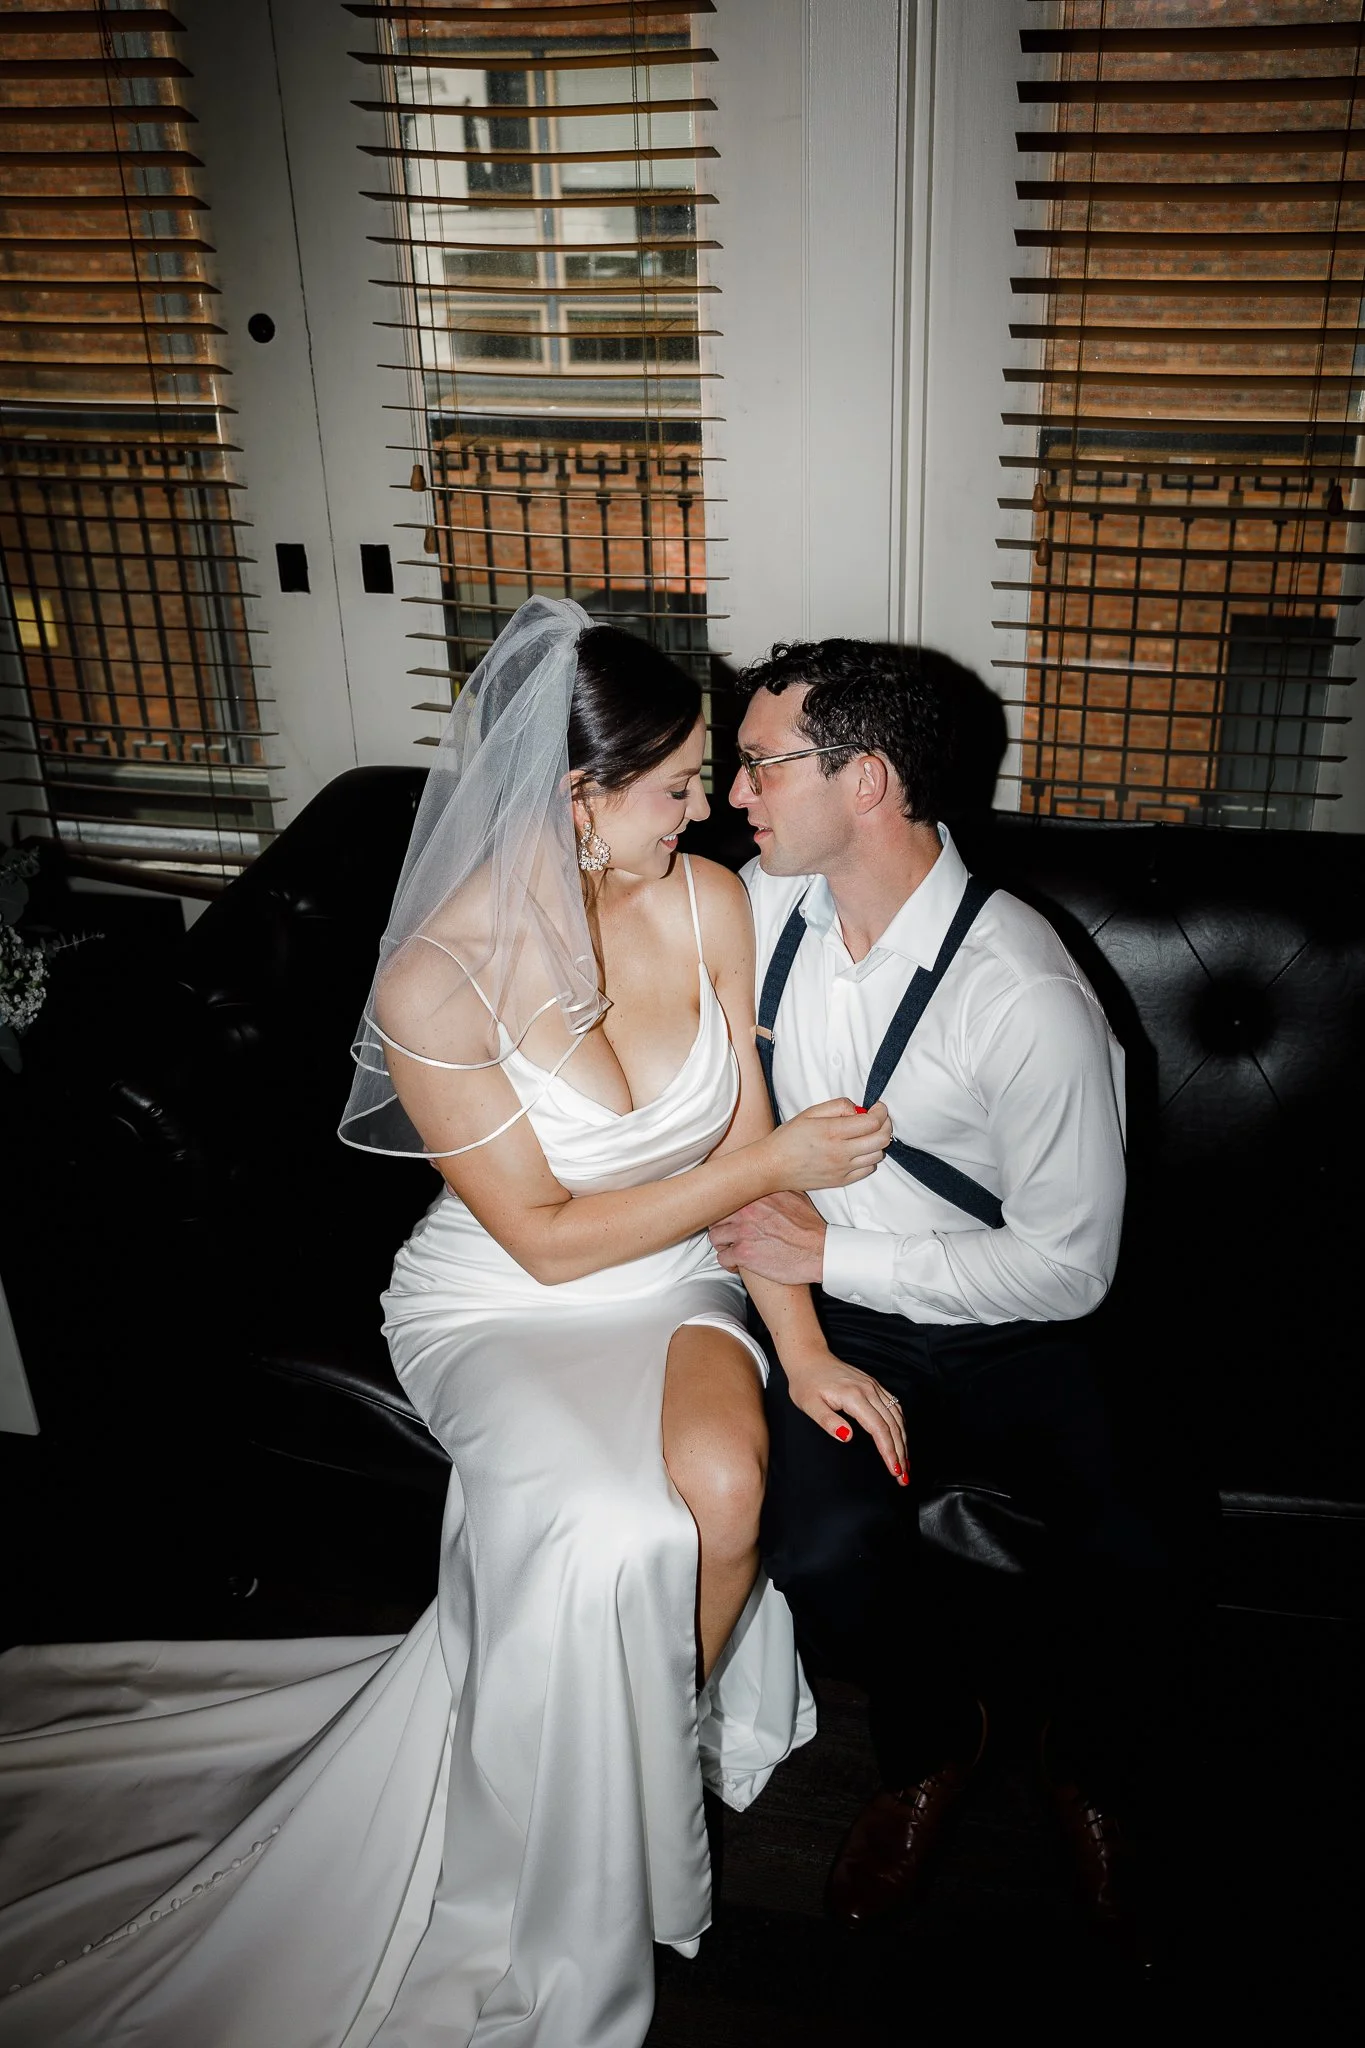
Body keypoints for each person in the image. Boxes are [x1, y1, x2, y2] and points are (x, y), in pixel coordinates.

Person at [0, 597, 904, 2048]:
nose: (705, 809)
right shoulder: (437, 977)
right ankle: (584, 1823)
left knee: (727, 1491)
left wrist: (802, 1348)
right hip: (506, 1294)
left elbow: (746, 1178)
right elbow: (543, 1241)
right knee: (617, 1531)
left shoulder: (705, 903)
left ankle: (633, 1757)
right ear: (575, 800)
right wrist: (765, 1166)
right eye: (674, 786)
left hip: (675, 1271)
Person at [709, 638, 1168, 1956]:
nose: (738, 792)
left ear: (866, 782)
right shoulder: (753, 913)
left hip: (1026, 1328)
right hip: (839, 1334)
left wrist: (827, 1257)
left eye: (759, 764)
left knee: (1133, 1539)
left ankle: (1092, 1771)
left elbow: (1071, 1267)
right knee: (820, 1546)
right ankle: (929, 1748)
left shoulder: (1023, 988)